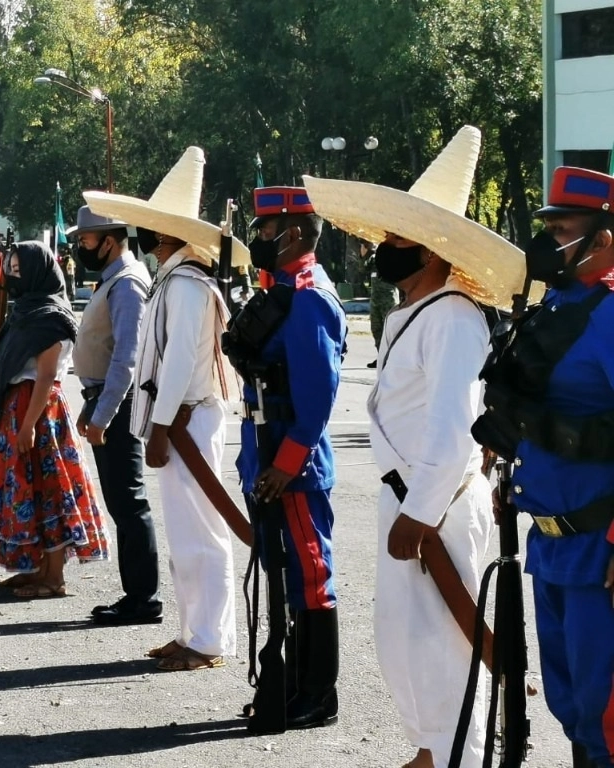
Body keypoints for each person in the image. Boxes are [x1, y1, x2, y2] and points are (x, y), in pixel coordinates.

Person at [303, 125, 527, 768]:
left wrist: (423, 509)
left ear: (431, 252)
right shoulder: (418, 310)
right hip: (409, 496)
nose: (386, 250)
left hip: (438, 500)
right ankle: (433, 747)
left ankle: (455, 753)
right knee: (406, 635)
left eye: (399, 241)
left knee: (443, 643)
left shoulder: (453, 317)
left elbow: (453, 427)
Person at [84, 146, 248, 671]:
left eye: (158, 230)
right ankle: (193, 632)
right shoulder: (173, 279)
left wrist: (157, 429)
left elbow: (176, 365)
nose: (151, 239)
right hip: (179, 417)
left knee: (202, 534)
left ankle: (209, 640)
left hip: (187, 417)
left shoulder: (187, 283)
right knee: (186, 534)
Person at [477, 166, 614, 768]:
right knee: (570, 702)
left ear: (604, 238)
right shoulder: (555, 305)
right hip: (548, 540)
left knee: (605, 709)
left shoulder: (609, 313)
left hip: (599, 544)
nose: (548, 241)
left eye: (562, 230)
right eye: (549, 227)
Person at [229, 185, 346, 731]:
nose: (259, 238)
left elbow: (317, 398)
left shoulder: (309, 297)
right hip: (267, 455)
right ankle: (291, 681)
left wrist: (286, 464)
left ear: (295, 233)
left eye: (267, 229)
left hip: (293, 466)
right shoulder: (277, 291)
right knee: (280, 575)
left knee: (309, 576)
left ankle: (317, 692)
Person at [0, 241, 109, 597]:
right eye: (12, 268)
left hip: (40, 414)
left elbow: (46, 375)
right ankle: (36, 568)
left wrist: (28, 425)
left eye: (20, 269)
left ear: (39, 270)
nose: (13, 275)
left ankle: (54, 577)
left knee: (50, 490)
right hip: (19, 408)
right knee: (28, 489)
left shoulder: (51, 316)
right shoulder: (25, 310)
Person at [68, 205, 162, 625]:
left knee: (129, 501)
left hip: (118, 402)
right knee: (122, 503)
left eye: (86, 240)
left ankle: (143, 598)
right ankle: (135, 594)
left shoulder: (126, 284)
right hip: (105, 397)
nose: (80, 248)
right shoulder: (113, 280)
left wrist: (103, 414)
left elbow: (126, 359)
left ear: (109, 240)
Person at [364, 240, 398, 368]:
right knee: (376, 329)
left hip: (388, 299)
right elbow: (362, 268)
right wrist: (366, 253)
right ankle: (381, 356)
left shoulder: (390, 257)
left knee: (390, 330)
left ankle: (392, 359)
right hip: (375, 300)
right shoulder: (373, 259)